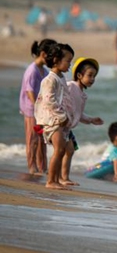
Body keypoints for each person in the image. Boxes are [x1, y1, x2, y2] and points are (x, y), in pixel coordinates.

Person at [33, 42, 74, 190]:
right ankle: (50, 181)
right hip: (52, 120)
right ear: (56, 60)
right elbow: (49, 100)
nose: (70, 64)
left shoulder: (61, 78)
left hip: (60, 120)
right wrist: (62, 116)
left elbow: (65, 98)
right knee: (59, 150)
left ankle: (56, 179)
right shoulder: (49, 80)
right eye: (68, 61)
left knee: (61, 150)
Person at [60, 57, 104, 186]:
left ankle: (63, 177)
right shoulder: (71, 86)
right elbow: (59, 98)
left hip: (67, 128)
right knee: (63, 151)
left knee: (69, 150)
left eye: (94, 76)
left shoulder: (82, 94)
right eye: (89, 75)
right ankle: (58, 178)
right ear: (79, 75)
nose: (92, 79)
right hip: (60, 124)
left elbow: (77, 113)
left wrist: (90, 119)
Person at [19, 38, 56, 175]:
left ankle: (42, 167)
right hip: (31, 110)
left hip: (41, 111)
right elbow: (30, 92)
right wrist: (37, 108)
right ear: (43, 54)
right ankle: (32, 166)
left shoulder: (44, 71)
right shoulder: (32, 70)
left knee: (42, 140)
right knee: (32, 139)